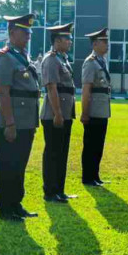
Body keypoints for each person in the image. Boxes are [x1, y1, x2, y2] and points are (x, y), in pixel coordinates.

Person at [0, 14, 40, 221]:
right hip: (11, 120)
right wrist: (10, 123)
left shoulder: (23, 55)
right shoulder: (5, 57)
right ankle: (4, 206)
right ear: (12, 33)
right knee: (7, 164)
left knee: (20, 164)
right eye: (24, 32)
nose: (28, 36)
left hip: (27, 120)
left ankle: (15, 202)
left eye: (30, 32)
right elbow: (3, 92)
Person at [41, 23, 77, 203]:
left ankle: (59, 190)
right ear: (57, 41)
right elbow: (51, 88)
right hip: (54, 114)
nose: (70, 41)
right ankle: (50, 191)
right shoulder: (51, 59)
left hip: (65, 113)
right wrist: (57, 113)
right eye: (67, 38)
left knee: (62, 152)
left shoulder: (63, 58)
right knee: (53, 152)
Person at [81, 28, 112, 187]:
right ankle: (87, 177)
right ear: (94, 44)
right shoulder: (90, 62)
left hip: (102, 110)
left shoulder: (102, 61)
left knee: (99, 145)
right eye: (104, 42)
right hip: (93, 110)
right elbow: (86, 89)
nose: (107, 44)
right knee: (91, 145)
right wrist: (85, 113)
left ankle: (95, 175)